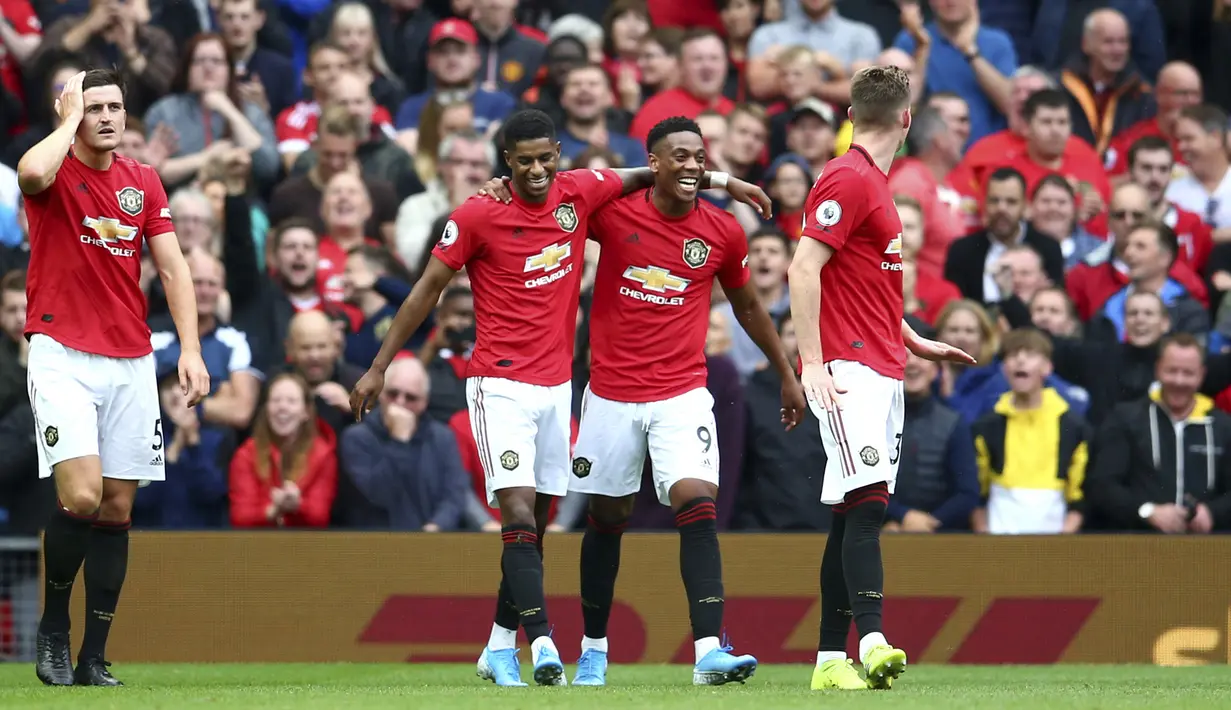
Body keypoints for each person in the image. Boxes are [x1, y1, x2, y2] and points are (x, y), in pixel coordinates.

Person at [349, 108, 771, 687]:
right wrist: (378, 367)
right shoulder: (477, 213)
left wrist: (726, 181)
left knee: (538, 524)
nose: (539, 170)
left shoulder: (578, 192)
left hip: (555, 387)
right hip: (498, 382)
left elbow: (650, 173)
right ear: (507, 163)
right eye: (525, 162)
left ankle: (500, 647)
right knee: (520, 512)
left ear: (558, 154)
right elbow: (426, 290)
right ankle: (546, 643)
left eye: (547, 158)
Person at [554, 116, 805, 687]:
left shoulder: (722, 232)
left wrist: (786, 373)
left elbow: (746, 307)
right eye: (679, 156)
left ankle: (709, 651)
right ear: (653, 161)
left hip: (682, 392)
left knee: (697, 503)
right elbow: (567, 188)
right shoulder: (615, 213)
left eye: (700, 156)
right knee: (607, 519)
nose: (692, 164)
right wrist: (721, 178)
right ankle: (593, 649)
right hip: (612, 394)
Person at [18, 68, 210, 686]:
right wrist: (65, 121)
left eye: (114, 107)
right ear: (73, 110)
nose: (105, 116)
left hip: (130, 357)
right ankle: (53, 628)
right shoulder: (52, 171)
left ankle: (93, 655)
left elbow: (175, 271)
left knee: (117, 508)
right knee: (81, 495)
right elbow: (29, 174)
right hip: (61, 352)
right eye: (93, 106)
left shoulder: (144, 182)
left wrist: (190, 348)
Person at [786, 65, 974, 692]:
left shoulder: (871, 182)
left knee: (850, 511)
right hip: (847, 368)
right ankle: (870, 640)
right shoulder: (848, 176)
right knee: (868, 503)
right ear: (908, 119)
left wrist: (911, 336)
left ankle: (826, 663)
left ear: (849, 113)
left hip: (881, 361)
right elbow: (803, 269)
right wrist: (813, 362)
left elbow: (863, 281)